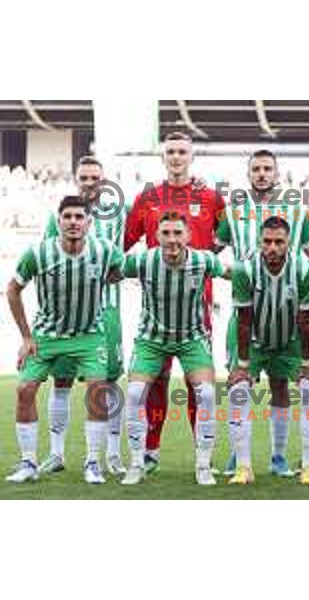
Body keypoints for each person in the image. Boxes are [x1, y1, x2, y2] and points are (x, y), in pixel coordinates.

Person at [125, 131, 225, 475]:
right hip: (157, 308)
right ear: (163, 156)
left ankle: (204, 454)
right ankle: (150, 450)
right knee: (155, 383)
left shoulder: (210, 197)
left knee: (199, 387)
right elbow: (125, 241)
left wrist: (208, 263)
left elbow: (228, 240)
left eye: (183, 151)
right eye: (171, 151)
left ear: (192, 156)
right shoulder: (148, 196)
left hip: (198, 310)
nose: (177, 157)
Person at [6, 196, 124, 484]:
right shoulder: (38, 253)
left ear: (89, 222)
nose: (73, 222)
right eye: (67, 216)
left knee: (97, 391)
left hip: (89, 334)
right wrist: (26, 336)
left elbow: (118, 272)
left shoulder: (105, 250)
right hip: (47, 336)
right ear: (58, 222)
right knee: (24, 389)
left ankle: (93, 462)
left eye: (79, 217)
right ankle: (28, 462)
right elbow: (12, 290)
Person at [216, 149, 309, 476]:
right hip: (246, 306)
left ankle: (278, 457)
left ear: (277, 172)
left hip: (284, 309)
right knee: (238, 381)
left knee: (279, 386)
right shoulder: (232, 212)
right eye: (256, 169)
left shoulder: (299, 212)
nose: (262, 174)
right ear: (248, 174)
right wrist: (224, 269)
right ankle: (237, 454)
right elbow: (213, 248)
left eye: (267, 168)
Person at [40, 156, 128, 476]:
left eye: (95, 177)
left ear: (104, 180)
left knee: (108, 382)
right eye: (84, 177)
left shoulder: (121, 211)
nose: (89, 182)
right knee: (60, 380)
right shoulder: (61, 217)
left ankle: (113, 455)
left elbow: (125, 257)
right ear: (76, 179)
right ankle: (56, 454)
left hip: (106, 312)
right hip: (67, 316)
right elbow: (49, 258)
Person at [227, 217, 309, 485]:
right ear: (260, 241)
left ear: (288, 243)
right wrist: (243, 365)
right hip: (254, 339)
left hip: (290, 340)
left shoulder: (303, 267)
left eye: (278, 242)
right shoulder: (244, 268)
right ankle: (243, 466)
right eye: (267, 241)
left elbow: (306, 318)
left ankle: (303, 465)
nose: (272, 247)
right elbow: (244, 317)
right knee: (238, 390)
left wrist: (306, 362)